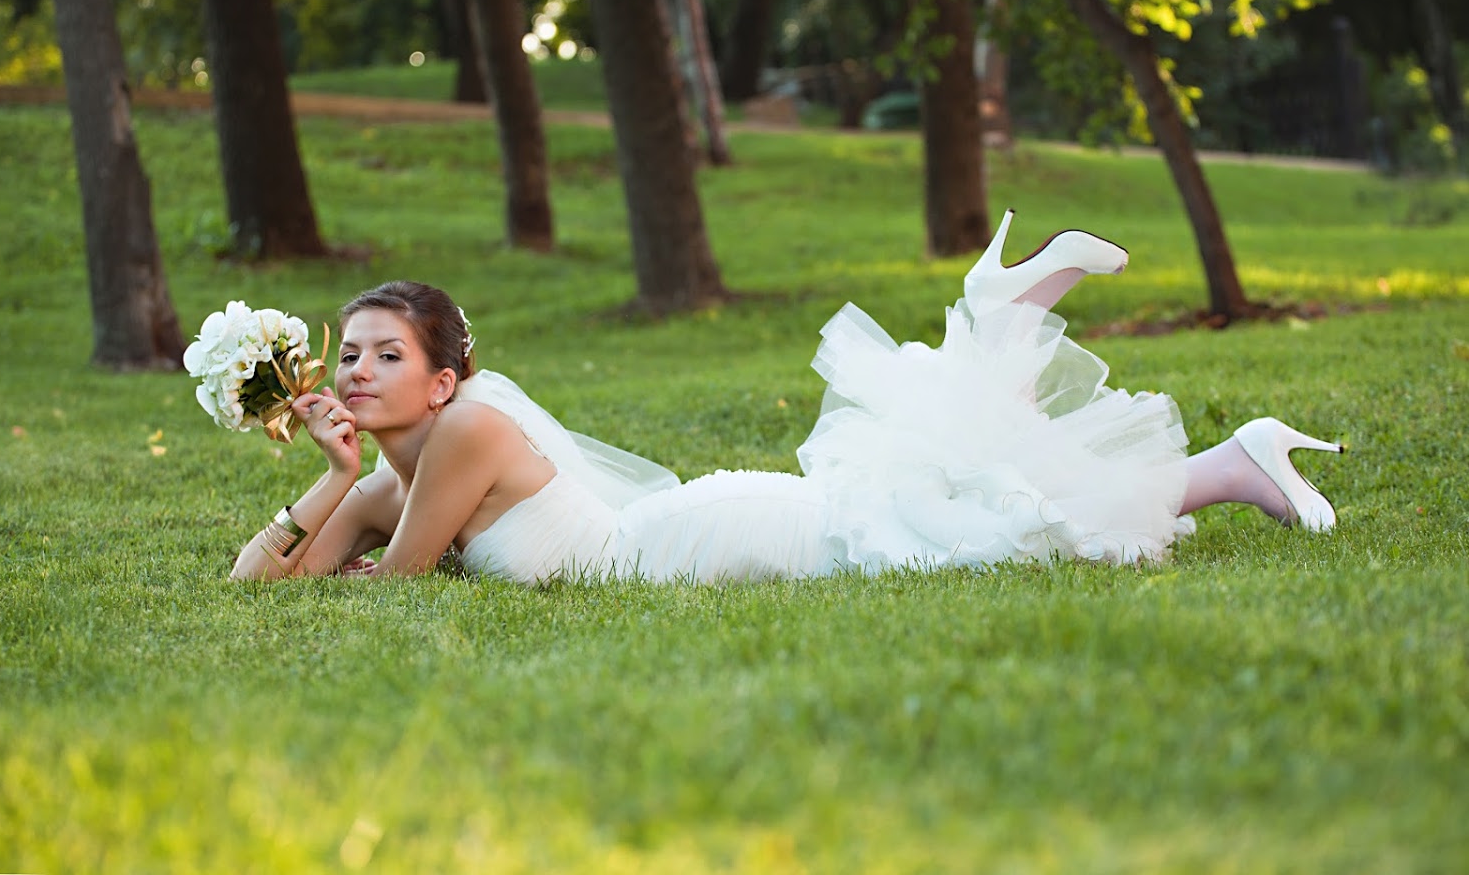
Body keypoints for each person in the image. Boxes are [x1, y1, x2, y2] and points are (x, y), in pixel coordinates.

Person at [230, 212, 1344, 584]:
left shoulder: (467, 431)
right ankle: (1230, 464)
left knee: (962, 534)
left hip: (702, 534)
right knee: (961, 513)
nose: (355, 372)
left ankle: (999, 320)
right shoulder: (381, 480)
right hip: (690, 542)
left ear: (444, 380)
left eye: (384, 355)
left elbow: (390, 586)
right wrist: (331, 485)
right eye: (348, 353)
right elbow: (259, 589)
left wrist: (355, 520)